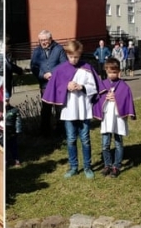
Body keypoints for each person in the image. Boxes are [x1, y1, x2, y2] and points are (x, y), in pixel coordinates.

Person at [42, 40, 99, 179]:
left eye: (77, 57)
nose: (74, 59)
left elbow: (94, 86)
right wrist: (66, 86)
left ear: (80, 55)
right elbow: (56, 85)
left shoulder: (87, 68)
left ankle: (87, 166)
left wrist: (82, 87)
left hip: (84, 109)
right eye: (71, 56)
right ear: (67, 54)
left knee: (85, 139)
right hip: (69, 110)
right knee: (71, 139)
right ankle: (73, 167)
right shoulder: (61, 69)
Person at [92, 58, 136, 178]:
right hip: (106, 118)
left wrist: (116, 98)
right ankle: (107, 165)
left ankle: (116, 166)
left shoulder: (123, 86)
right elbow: (97, 98)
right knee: (105, 144)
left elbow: (127, 99)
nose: (112, 74)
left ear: (119, 71)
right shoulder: (103, 85)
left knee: (118, 143)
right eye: (110, 72)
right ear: (106, 71)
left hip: (118, 118)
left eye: (115, 72)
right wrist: (106, 98)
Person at [30, 30, 68, 137]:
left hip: (58, 83)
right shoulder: (36, 51)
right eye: (41, 40)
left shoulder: (58, 49)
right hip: (45, 85)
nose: (43, 42)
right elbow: (33, 67)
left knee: (59, 108)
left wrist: (52, 73)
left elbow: (64, 64)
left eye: (45, 40)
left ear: (50, 39)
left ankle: (60, 131)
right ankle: (45, 132)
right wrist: (43, 75)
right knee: (46, 109)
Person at [5, 92, 22, 167]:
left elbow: (18, 121)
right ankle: (5, 160)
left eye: (7, 101)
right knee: (5, 146)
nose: (6, 103)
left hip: (11, 132)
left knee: (13, 146)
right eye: (4, 101)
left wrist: (18, 130)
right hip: (4, 131)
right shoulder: (0, 110)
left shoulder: (14, 110)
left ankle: (16, 159)